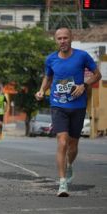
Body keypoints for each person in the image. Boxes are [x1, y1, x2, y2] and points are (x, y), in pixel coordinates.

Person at [35, 27, 101, 197]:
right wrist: (42, 90)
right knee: (62, 141)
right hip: (58, 105)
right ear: (55, 40)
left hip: (78, 106)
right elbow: (48, 78)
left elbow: (97, 74)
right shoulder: (50, 59)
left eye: (65, 38)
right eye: (59, 38)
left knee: (73, 144)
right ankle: (62, 183)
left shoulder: (82, 56)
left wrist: (84, 85)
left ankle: (70, 165)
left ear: (71, 38)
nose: (62, 41)